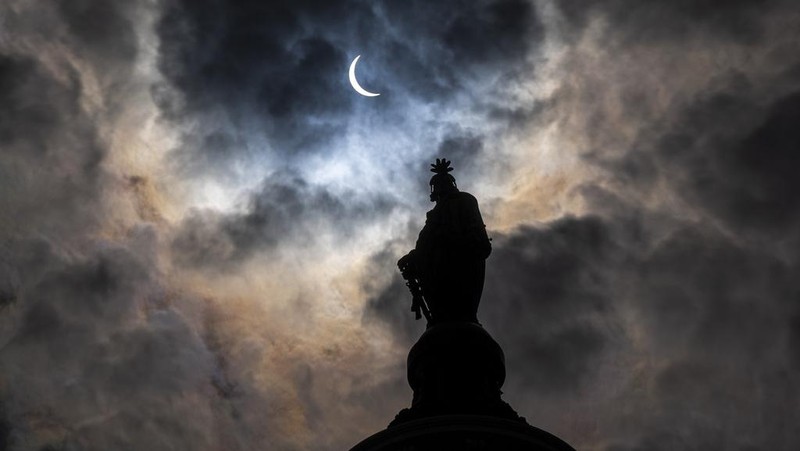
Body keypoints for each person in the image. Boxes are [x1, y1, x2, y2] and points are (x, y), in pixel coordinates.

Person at [398, 159, 491, 324]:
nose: (438, 191)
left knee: (455, 313)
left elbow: (471, 239)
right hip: (436, 273)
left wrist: (419, 255)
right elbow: (427, 244)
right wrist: (414, 257)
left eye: (441, 185)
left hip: (457, 268)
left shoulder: (463, 202)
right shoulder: (436, 212)